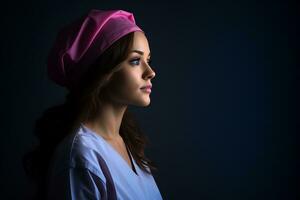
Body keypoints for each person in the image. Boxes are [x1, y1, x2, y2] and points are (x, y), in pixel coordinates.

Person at [22, 9, 163, 200]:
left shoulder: (128, 144)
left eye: (148, 60)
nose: (151, 72)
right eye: (136, 61)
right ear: (102, 73)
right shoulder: (81, 158)